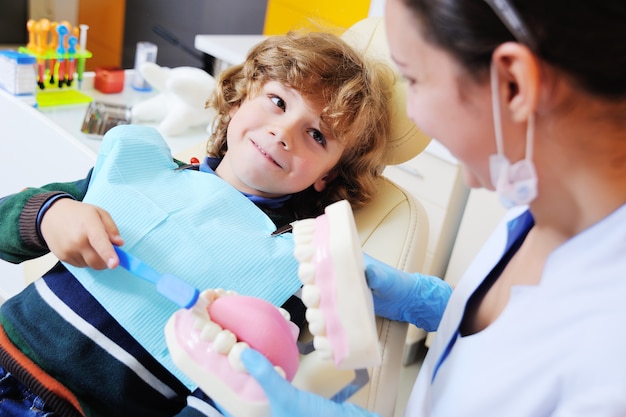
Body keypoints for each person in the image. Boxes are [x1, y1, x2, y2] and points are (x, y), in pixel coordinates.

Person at [240, 0, 626, 416]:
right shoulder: (541, 202)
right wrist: (428, 301)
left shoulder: (608, 365)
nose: (413, 119)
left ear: (512, 84)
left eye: (413, 78)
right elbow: (518, 329)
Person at [0, 30, 395, 416]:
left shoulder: (293, 262)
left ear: (327, 176)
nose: (283, 132)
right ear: (240, 99)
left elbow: (236, 389)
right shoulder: (138, 166)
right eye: (277, 101)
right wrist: (51, 214)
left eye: (316, 135)